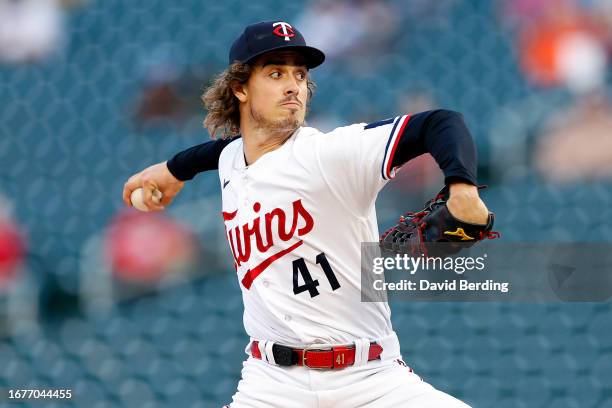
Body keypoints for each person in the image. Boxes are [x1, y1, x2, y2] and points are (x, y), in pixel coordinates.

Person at [123, 20, 490, 407]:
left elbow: (440, 122)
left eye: (299, 74)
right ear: (239, 87)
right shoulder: (234, 158)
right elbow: (224, 150)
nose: (293, 85)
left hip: (369, 379)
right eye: (276, 73)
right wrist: (175, 169)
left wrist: (461, 187)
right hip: (270, 384)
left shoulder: (330, 153)